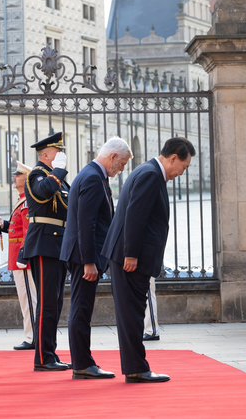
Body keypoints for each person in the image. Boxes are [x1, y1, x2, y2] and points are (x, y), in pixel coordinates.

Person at [101, 137, 195, 383]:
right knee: (132, 313)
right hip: (132, 257)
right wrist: (130, 253)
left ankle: (135, 366)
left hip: (131, 255)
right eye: (183, 167)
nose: (181, 173)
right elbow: (135, 215)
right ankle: (136, 368)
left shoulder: (147, 171)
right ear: (173, 158)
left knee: (131, 312)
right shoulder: (152, 174)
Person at [61, 137, 132, 380]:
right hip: (83, 257)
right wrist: (89, 261)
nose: (121, 169)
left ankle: (83, 362)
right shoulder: (92, 177)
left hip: (82, 254)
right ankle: (82, 364)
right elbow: (86, 224)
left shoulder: (93, 174)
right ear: (113, 157)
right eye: (121, 164)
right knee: (81, 309)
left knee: (81, 308)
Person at [22, 132, 70, 371]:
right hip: (43, 243)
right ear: (45, 155)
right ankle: (43, 358)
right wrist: (58, 171)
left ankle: (49, 353)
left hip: (58, 245)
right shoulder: (37, 174)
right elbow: (44, 192)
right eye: (57, 152)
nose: (62, 156)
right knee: (47, 303)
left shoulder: (57, 178)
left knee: (56, 303)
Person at [0, 161, 37, 350]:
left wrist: (23, 256)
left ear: (26, 178)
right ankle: (31, 335)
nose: (14, 178)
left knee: (29, 300)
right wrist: (4, 225)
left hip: (22, 260)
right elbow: (16, 229)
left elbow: (29, 232)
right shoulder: (22, 199)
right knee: (25, 299)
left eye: (17, 175)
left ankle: (33, 337)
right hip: (17, 259)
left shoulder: (27, 202)